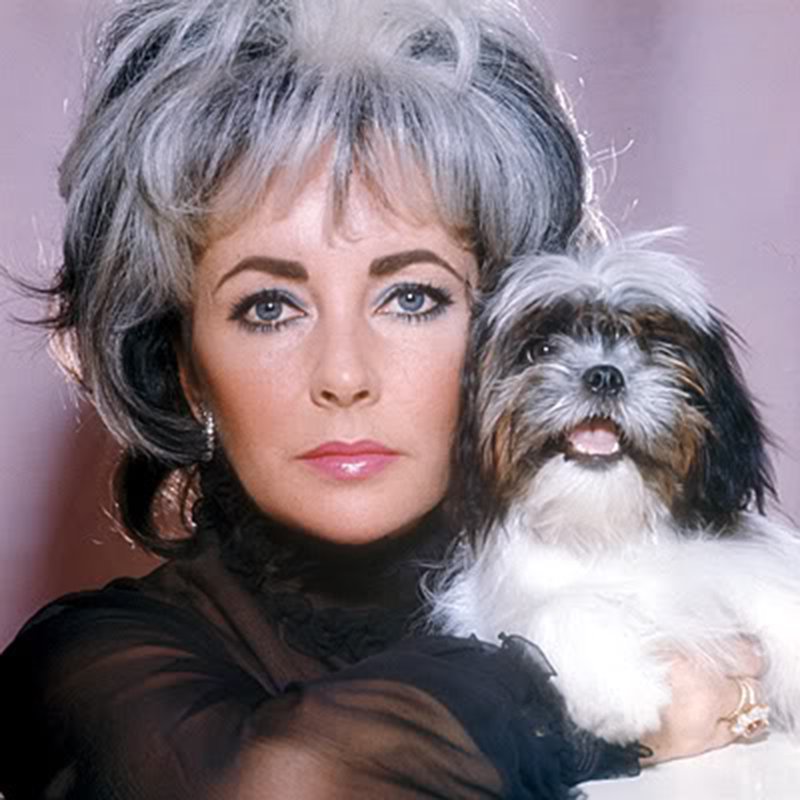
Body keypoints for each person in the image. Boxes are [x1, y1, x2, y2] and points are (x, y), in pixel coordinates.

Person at [0, 0, 762, 797]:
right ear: (187, 370)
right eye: (270, 306)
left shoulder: (683, 588)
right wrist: (588, 700)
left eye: (411, 298)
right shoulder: (86, 669)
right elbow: (284, 783)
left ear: (512, 334)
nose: (344, 373)